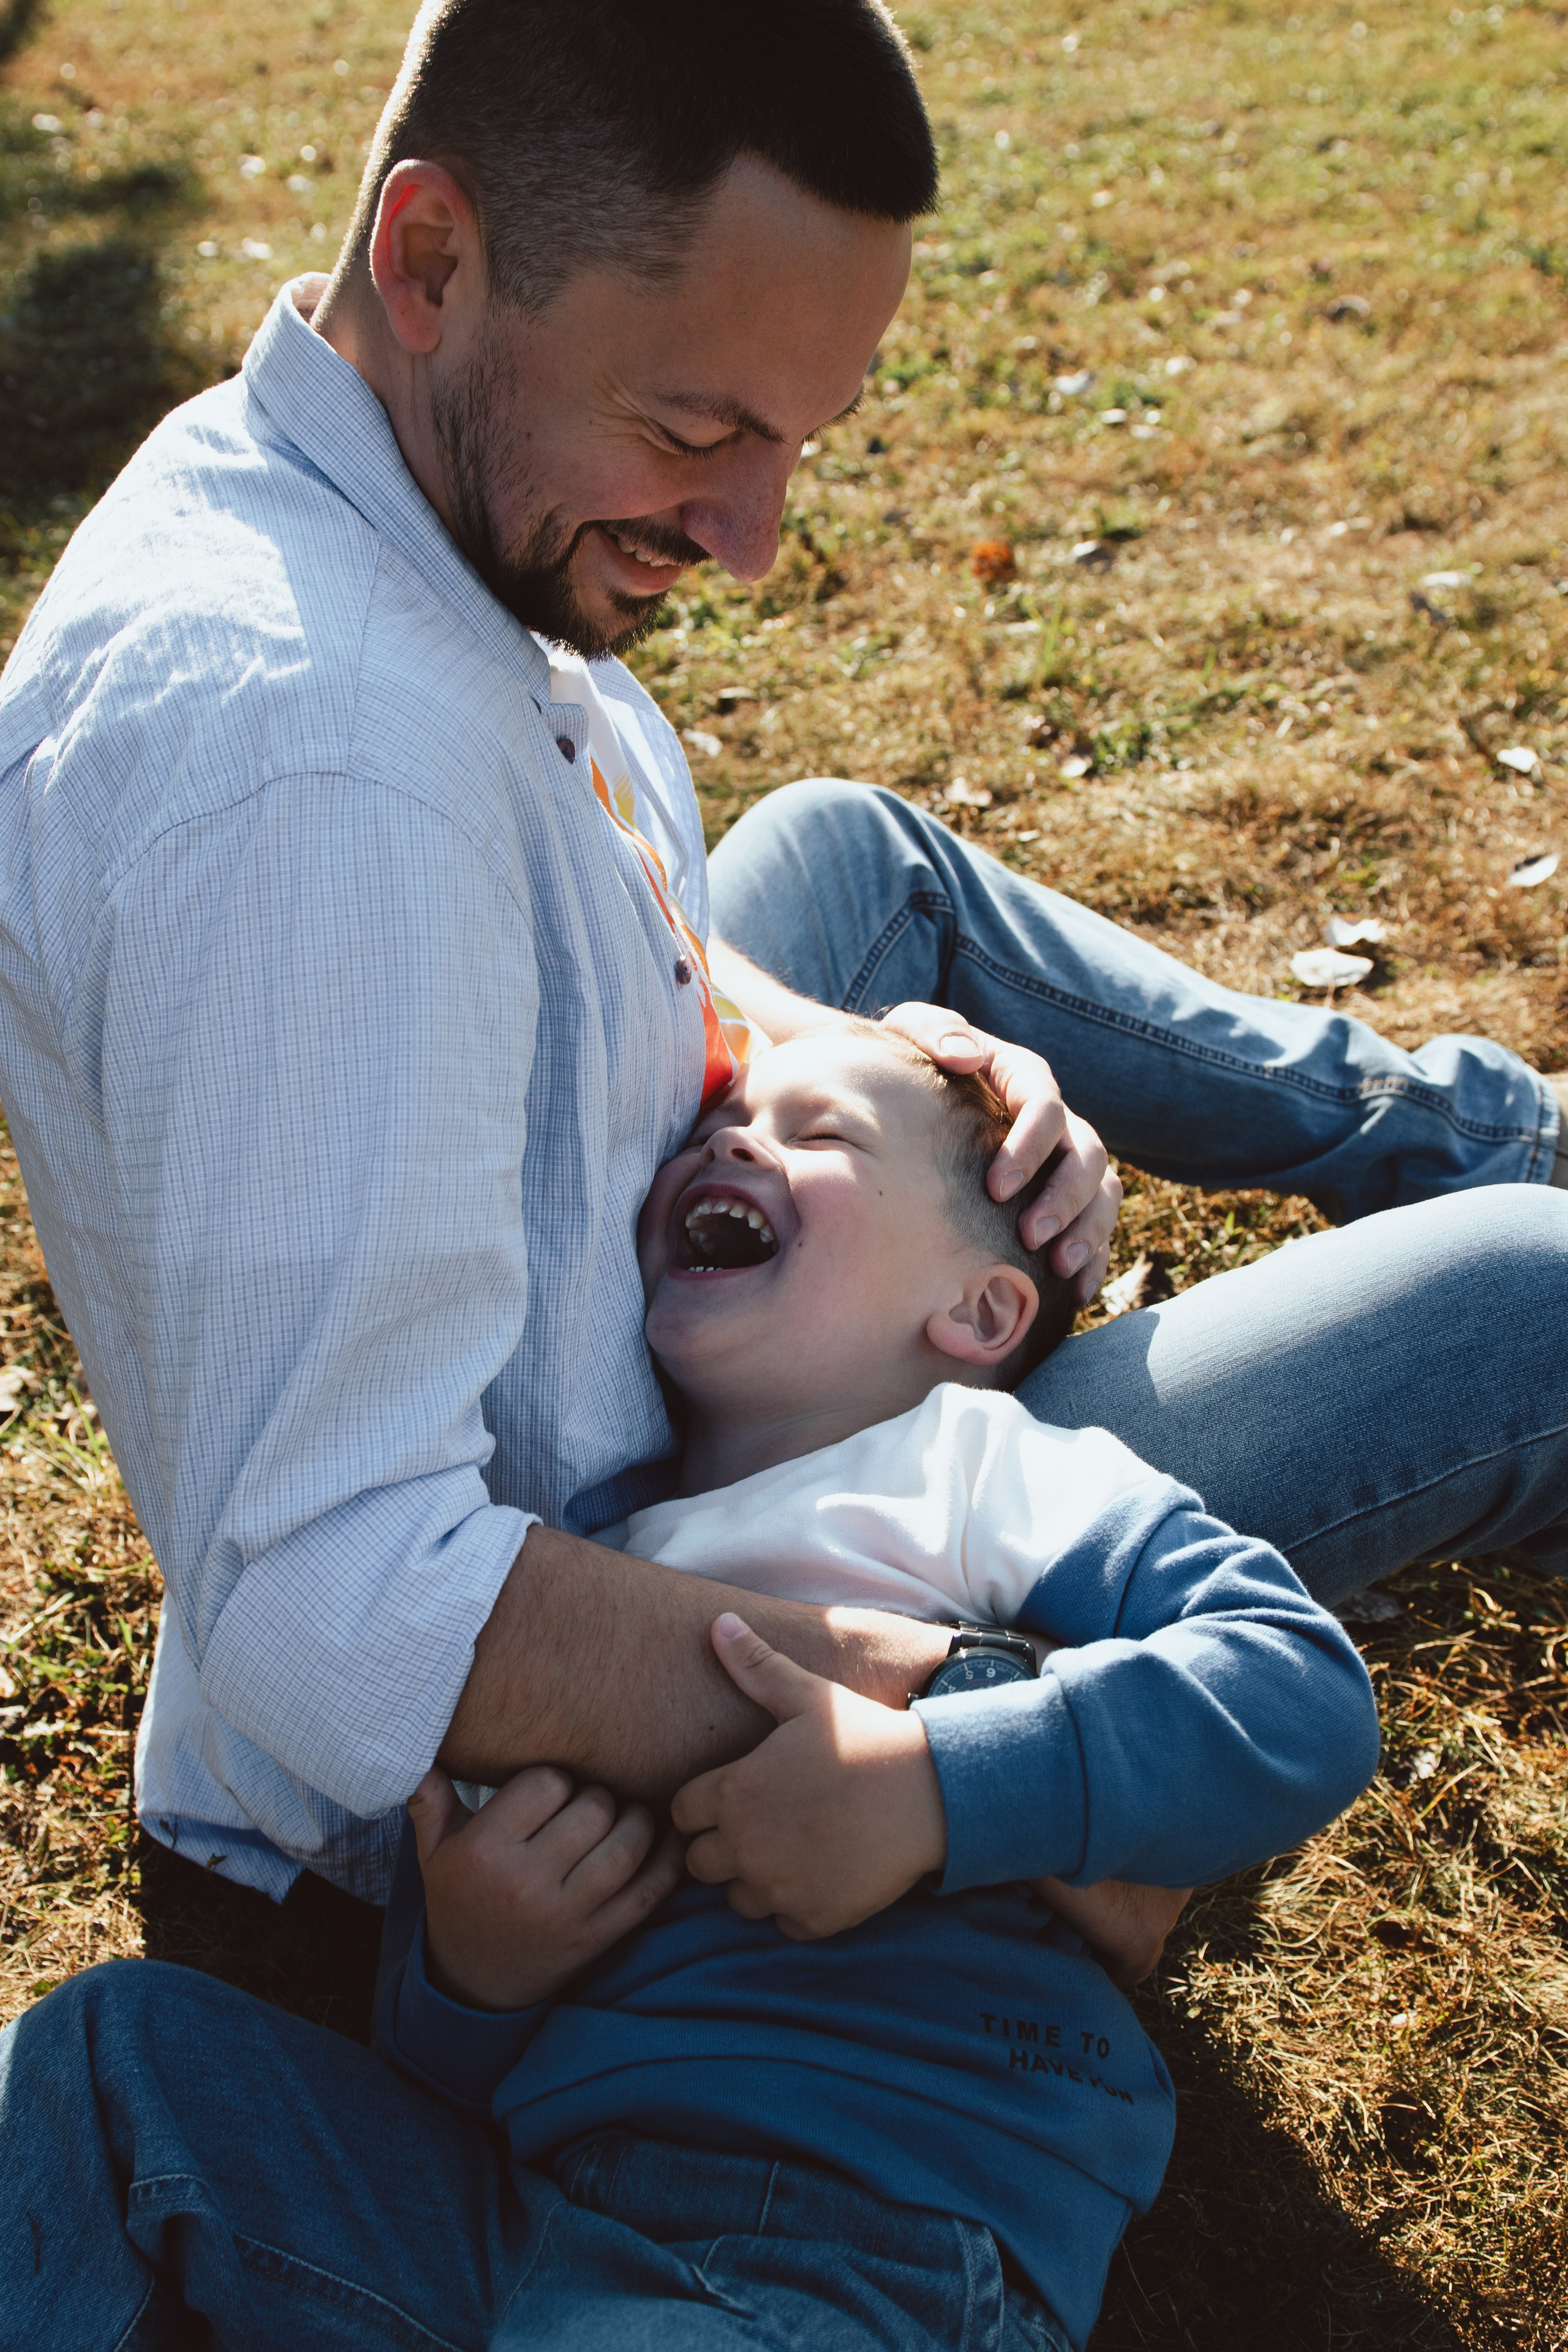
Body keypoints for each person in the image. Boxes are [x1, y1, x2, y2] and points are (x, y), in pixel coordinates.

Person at [0, 0, 1562, 1945]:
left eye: (798, 441)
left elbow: (571, 952)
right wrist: (963, 1749)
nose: (751, 541)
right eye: (697, 428)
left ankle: (1491, 1128)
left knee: (847, 857)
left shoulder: (342, 483)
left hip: (665, 1313)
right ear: (429, 257)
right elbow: (338, 1600)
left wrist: (868, 1070)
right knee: (1533, 1304)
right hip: (599, 1655)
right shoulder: (321, 779)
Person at [0, 1029, 1380, 2350]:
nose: (731, 1144)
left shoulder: (980, 1471)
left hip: (844, 2237)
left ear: (977, 1308)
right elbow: (440, 2071)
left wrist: (935, 1783)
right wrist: (475, 1975)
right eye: (717, 1128)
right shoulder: (566, 1577)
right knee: (107, 2063)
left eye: (816, 1131)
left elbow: (1295, 1691)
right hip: (525, 2233)